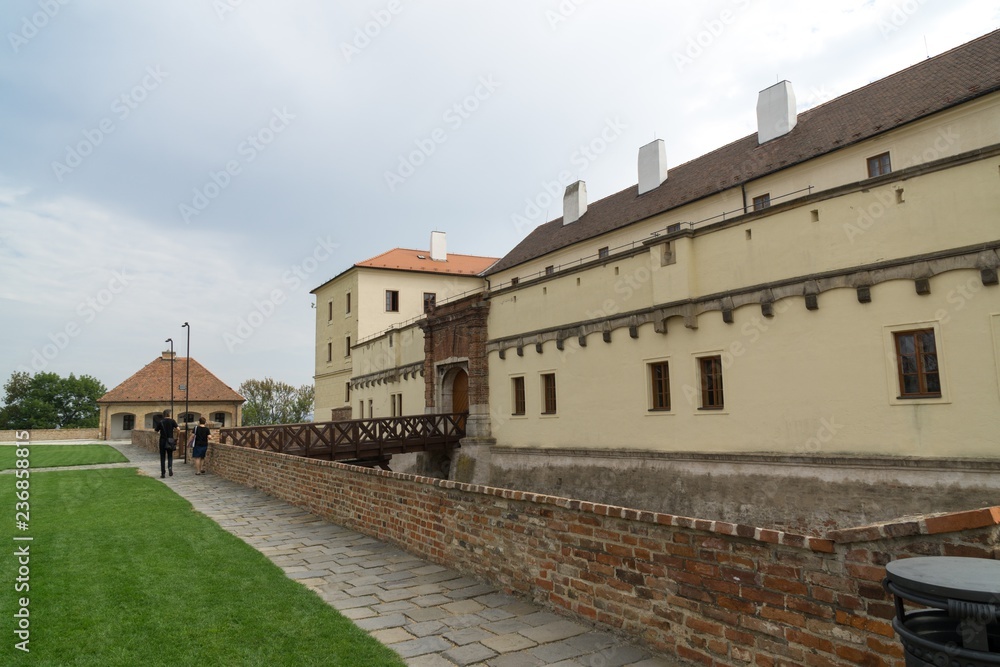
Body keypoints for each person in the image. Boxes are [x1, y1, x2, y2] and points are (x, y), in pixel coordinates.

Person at [154, 409, 178, 478]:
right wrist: (177, 436)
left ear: (164, 415)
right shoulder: (172, 421)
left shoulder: (161, 422)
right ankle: (170, 468)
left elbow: (156, 430)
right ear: (169, 414)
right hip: (170, 440)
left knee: (162, 457)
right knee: (170, 455)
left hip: (162, 441)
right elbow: (178, 429)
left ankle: (163, 473)